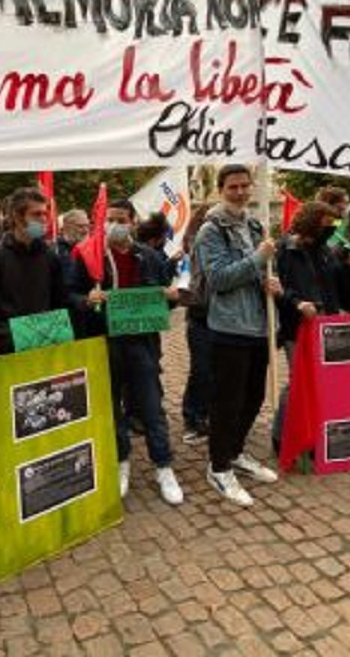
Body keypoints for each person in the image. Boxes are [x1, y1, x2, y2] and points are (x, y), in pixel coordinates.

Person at [70, 198, 183, 506]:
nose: (114, 225)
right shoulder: (89, 256)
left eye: (121, 219)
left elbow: (166, 297)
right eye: (110, 219)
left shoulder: (149, 256)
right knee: (112, 407)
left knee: (151, 406)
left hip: (141, 344)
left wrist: (171, 296)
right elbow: (70, 294)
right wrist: (87, 299)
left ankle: (163, 466)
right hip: (104, 342)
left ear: (133, 222)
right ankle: (121, 461)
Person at [195, 165, 282, 507]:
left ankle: (235, 452)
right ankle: (218, 467)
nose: (241, 192)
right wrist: (259, 258)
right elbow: (218, 279)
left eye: (246, 185)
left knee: (253, 397)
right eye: (233, 187)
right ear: (221, 189)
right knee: (227, 402)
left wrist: (270, 282)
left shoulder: (256, 225)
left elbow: (257, 272)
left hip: (259, 325)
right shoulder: (210, 231)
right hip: (229, 328)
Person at [271, 201, 343, 454]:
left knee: (319, 382)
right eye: (327, 224)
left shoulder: (324, 250)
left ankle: (310, 435)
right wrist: (298, 303)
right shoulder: (285, 248)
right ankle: (282, 436)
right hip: (297, 324)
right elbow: (277, 286)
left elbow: (332, 284)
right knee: (298, 382)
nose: (331, 229)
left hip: (325, 324)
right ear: (313, 223)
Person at [0, 187, 67, 358]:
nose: (43, 219)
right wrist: (10, 335)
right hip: (6, 353)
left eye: (45, 214)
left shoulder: (50, 257)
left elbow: (59, 301)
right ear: (17, 217)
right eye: (36, 214)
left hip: (44, 348)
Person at [178, 204, 212, 445]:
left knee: (218, 372)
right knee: (201, 370)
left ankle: (210, 414)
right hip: (200, 319)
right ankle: (193, 417)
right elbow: (184, 292)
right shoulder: (190, 255)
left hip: (223, 320)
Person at [54, 209, 90, 284]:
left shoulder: (90, 250)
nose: (85, 230)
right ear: (67, 226)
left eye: (87, 226)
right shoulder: (55, 249)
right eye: (80, 226)